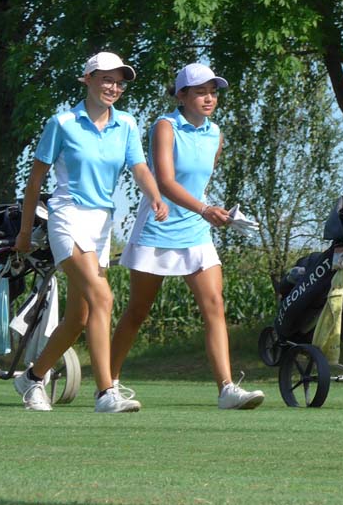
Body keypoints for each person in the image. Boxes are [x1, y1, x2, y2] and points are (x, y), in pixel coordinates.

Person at [13, 52, 168, 413]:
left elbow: (139, 167)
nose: (113, 86)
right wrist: (24, 232)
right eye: (105, 79)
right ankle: (105, 393)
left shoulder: (127, 124)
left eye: (119, 81)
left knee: (79, 318)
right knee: (103, 298)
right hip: (67, 215)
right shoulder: (63, 122)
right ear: (87, 80)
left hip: (101, 224)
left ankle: (33, 378)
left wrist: (156, 195)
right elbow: (35, 180)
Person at [109, 63, 265, 409]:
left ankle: (227, 389)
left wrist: (212, 211)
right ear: (182, 95)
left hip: (196, 231)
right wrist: (204, 210)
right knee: (137, 311)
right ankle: (110, 384)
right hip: (158, 228)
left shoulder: (216, 134)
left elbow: (200, 183)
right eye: (200, 91)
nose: (209, 98)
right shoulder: (165, 126)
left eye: (213, 92)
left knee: (214, 306)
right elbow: (164, 182)